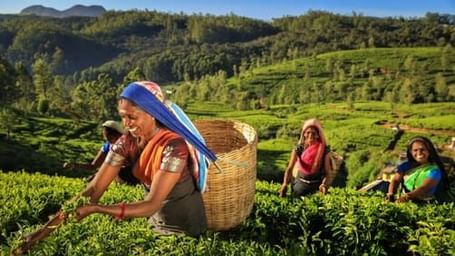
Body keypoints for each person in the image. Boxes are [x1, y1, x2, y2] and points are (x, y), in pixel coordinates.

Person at [74, 81, 216, 237]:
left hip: (184, 229)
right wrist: (50, 226)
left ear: (153, 113)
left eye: (132, 117)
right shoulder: (127, 141)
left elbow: (151, 205)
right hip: (154, 222)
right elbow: (94, 189)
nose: (126, 124)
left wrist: (100, 209)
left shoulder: (174, 146)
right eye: (122, 117)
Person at [63, 120, 138, 185]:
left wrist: (99, 175)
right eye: (108, 139)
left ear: (118, 136)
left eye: (111, 138)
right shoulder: (107, 146)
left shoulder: (129, 144)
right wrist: (74, 165)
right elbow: (93, 165)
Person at [279, 118, 334, 197]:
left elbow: (328, 173)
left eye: (313, 133)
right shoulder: (299, 149)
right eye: (308, 132)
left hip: (317, 185)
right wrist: (284, 184)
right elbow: (290, 168)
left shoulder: (323, 151)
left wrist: (324, 185)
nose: (310, 135)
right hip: (300, 184)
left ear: (318, 135)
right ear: (304, 134)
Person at [386, 136, 447, 203]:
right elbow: (395, 180)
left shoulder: (434, 170)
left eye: (422, 149)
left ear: (429, 151)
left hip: (426, 203)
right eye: (415, 150)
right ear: (410, 152)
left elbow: (424, 188)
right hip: (405, 202)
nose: (419, 152)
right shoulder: (405, 166)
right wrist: (391, 194)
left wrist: (406, 197)